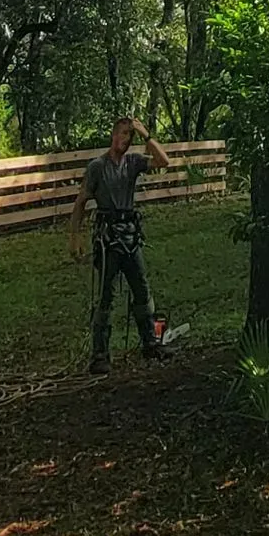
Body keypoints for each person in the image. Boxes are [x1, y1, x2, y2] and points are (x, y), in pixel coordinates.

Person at [69, 116, 171, 373]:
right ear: (113, 135)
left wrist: (145, 134)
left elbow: (163, 161)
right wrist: (75, 237)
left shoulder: (133, 162)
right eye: (123, 133)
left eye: (130, 136)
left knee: (142, 289)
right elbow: (81, 202)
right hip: (108, 238)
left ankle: (150, 342)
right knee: (106, 295)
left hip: (130, 236)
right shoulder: (97, 167)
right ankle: (100, 354)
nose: (126, 139)